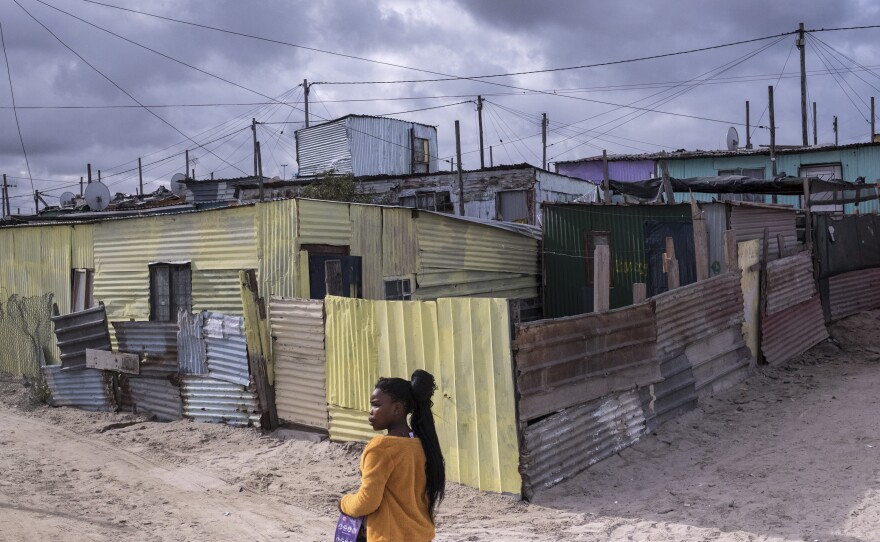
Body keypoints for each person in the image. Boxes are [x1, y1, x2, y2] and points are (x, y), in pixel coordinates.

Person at [340, 369, 445, 542]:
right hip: (421, 536)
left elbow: (368, 501)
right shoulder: (422, 444)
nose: (371, 411)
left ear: (397, 408)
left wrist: (344, 503)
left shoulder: (381, 447)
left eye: (376, 404)